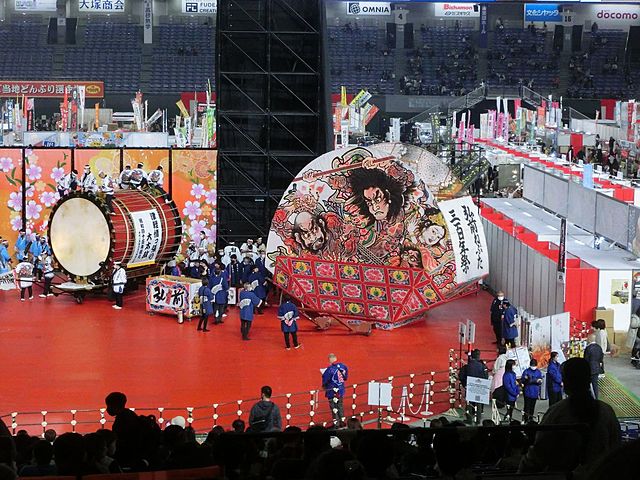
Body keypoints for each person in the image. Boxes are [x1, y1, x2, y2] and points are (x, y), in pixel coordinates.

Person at [518, 357, 621, 477]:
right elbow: (616, 448)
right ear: (589, 380)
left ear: (566, 381)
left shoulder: (557, 413)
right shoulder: (606, 412)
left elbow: (539, 453)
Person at [459, 349, 489, 424]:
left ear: (471, 357)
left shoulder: (467, 366)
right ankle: (478, 420)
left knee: (469, 403)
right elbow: (486, 376)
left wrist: (464, 384)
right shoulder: (483, 366)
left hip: (470, 386)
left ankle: (469, 419)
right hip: (480, 386)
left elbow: (461, 376)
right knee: (478, 404)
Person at [322, 353, 349, 427]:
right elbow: (345, 377)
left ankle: (336, 424)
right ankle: (342, 422)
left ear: (330, 359)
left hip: (332, 391)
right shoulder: (343, 366)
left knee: (334, 407)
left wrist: (324, 386)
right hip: (341, 389)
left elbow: (325, 379)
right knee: (340, 405)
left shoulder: (330, 369)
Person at [521, 359, 543, 423]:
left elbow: (540, 380)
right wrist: (534, 380)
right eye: (532, 365)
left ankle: (531, 418)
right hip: (528, 391)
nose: (533, 366)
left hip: (535, 392)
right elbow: (523, 380)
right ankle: (526, 418)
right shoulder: (526, 371)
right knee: (527, 406)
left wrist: (539, 381)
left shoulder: (538, 372)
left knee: (532, 406)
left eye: (534, 365)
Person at [583, 333, 604, 399]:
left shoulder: (588, 348)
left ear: (589, 339)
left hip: (589, 368)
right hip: (597, 368)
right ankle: (596, 397)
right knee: (595, 384)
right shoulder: (599, 347)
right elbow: (601, 358)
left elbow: (586, 359)